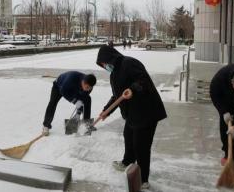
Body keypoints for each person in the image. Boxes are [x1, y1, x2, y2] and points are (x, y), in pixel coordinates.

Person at [96, 45, 167, 190]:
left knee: (141, 146)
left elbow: (143, 81)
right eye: (102, 65)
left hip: (146, 110)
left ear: (110, 57)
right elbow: (117, 96)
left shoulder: (129, 63)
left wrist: (133, 89)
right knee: (128, 135)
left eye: (104, 63)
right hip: (133, 113)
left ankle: (143, 179)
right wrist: (106, 111)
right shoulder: (114, 74)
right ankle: (127, 162)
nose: (104, 66)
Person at [42, 71, 97, 135]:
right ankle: (46, 125)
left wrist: (78, 113)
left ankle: (86, 124)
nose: (88, 90)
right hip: (59, 86)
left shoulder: (89, 86)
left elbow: (83, 98)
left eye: (90, 88)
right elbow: (63, 91)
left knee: (87, 99)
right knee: (52, 103)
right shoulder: (71, 79)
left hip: (74, 89)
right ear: (83, 82)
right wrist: (75, 101)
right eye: (87, 87)